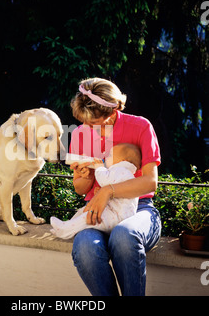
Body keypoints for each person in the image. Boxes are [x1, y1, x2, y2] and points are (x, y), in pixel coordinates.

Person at [69, 77, 161, 296]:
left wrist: (108, 192)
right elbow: (80, 189)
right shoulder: (81, 134)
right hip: (98, 213)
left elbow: (150, 181)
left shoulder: (140, 126)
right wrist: (86, 176)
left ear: (112, 112)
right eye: (85, 122)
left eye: (94, 123)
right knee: (84, 246)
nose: (87, 127)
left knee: (124, 235)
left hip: (140, 208)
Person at [50, 143, 141, 239]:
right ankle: (66, 226)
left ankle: (65, 230)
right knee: (84, 212)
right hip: (114, 214)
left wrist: (99, 167)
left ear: (123, 161)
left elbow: (104, 180)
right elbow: (113, 191)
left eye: (110, 155)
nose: (106, 157)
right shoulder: (125, 174)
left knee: (88, 216)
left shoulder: (121, 171)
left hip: (116, 217)